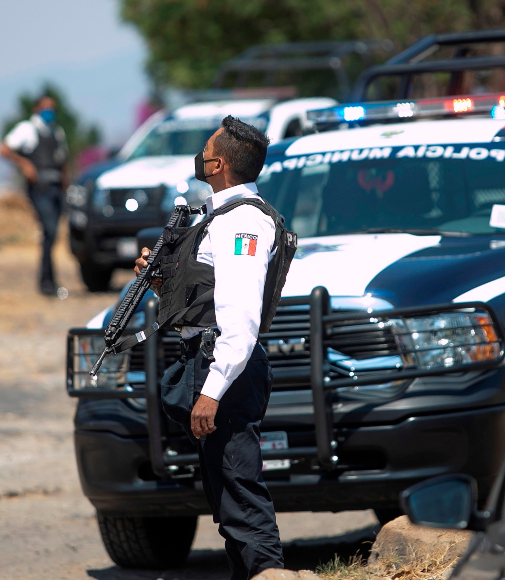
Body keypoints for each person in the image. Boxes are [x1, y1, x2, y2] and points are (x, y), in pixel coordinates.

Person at [135, 115, 284, 579]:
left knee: (241, 495)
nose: (199, 156)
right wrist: (161, 281)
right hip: (211, 361)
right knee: (227, 500)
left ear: (216, 163)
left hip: (226, 370)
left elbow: (240, 319)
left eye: (204, 150)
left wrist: (212, 391)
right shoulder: (221, 216)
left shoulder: (243, 222)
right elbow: (203, 304)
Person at [0, 94, 69, 296]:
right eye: (46, 107)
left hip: (56, 187)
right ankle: (46, 283)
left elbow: (62, 160)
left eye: (53, 108)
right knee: (49, 230)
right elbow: (4, 149)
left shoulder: (57, 132)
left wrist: (67, 182)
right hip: (40, 188)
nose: (50, 112)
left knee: (52, 234)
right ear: (36, 109)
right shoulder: (27, 129)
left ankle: (49, 281)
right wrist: (25, 164)